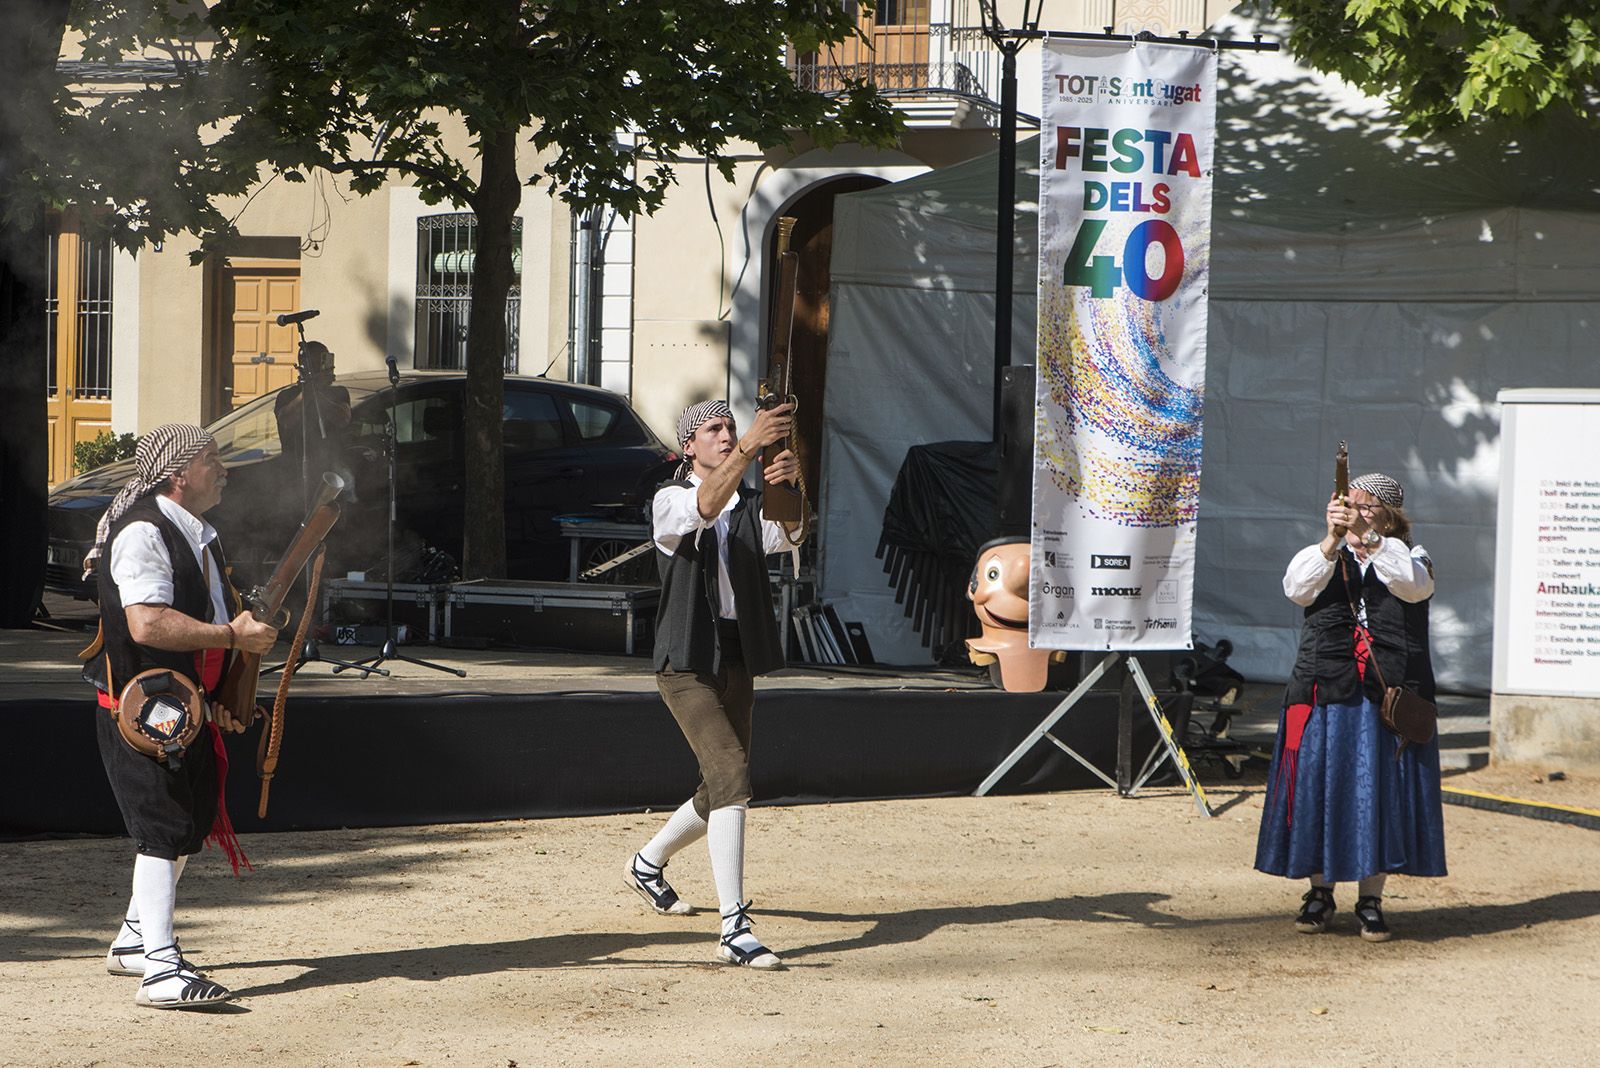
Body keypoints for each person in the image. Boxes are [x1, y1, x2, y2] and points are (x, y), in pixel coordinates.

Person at [81, 424, 279, 1008]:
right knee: (163, 830)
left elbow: (196, 627)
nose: (224, 470)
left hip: (181, 703)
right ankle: (161, 971)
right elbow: (148, 624)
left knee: (184, 823)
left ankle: (136, 939)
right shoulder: (143, 531)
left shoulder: (197, 533)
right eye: (213, 460)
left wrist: (221, 690)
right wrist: (232, 635)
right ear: (178, 473)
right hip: (140, 710)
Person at [622, 399, 804, 970]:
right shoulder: (669, 498)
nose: (727, 436)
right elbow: (703, 506)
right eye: (715, 431)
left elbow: (791, 538)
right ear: (688, 448)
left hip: (736, 654)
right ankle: (735, 928)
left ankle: (646, 864)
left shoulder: (750, 505)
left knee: (719, 784)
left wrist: (792, 486)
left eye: (731, 428)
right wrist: (753, 444)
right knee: (731, 775)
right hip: (685, 661)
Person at [1255, 472, 1447, 942]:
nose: (1356, 514)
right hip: (1326, 694)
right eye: (1348, 505)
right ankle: (1319, 892)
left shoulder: (1409, 556)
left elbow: (1412, 587)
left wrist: (1371, 540)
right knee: (1322, 790)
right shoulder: (1321, 555)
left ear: (1388, 513)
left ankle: (1370, 898)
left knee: (1379, 797)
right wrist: (1331, 539)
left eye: (1366, 506)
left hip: (1386, 701)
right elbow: (1297, 590)